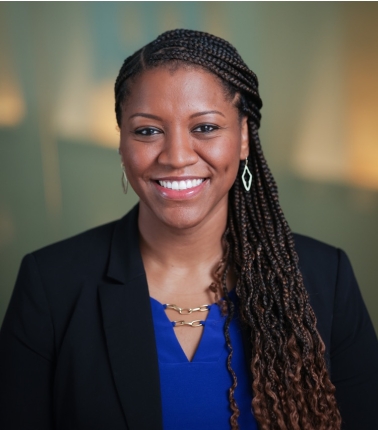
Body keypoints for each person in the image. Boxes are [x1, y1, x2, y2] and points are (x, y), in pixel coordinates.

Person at [0, 29, 377, 430]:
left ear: (244, 137)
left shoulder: (326, 279)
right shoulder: (51, 285)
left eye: (205, 128)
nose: (177, 157)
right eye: (148, 131)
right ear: (122, 144)